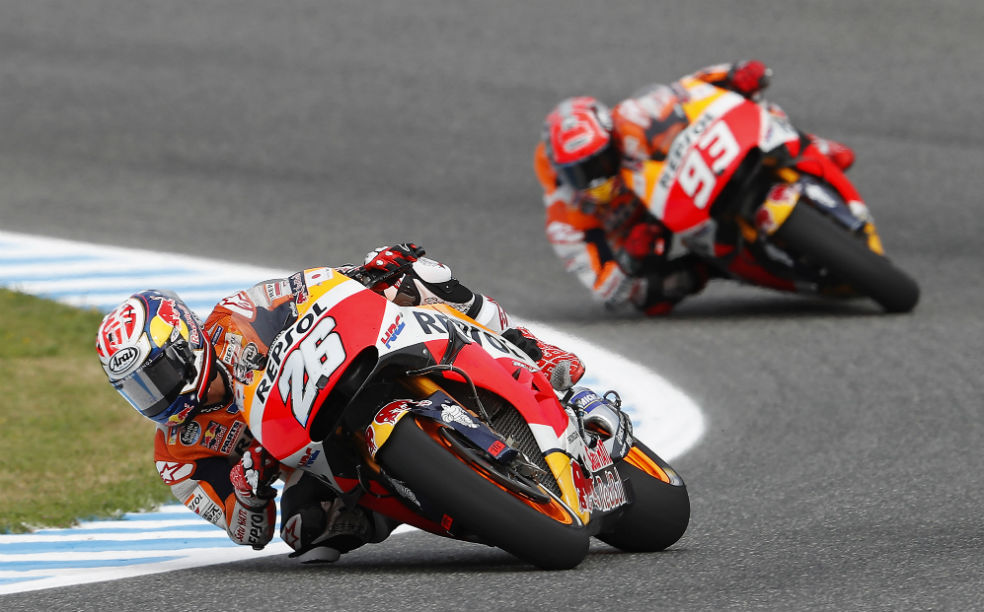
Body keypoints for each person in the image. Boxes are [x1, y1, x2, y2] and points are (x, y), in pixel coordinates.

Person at [95, 244, 619, 563]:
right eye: (139, 389)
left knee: (421, 275)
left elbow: (311, 287)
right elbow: (244, 533)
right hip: (317, 461)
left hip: (350, 366)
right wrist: (247, 492)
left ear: (184, 340)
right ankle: (440, 498)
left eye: (157, 374)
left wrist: (367, 270)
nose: (157, 396)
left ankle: (532, 350)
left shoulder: (236, 315)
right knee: (303, 532)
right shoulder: (176, 454)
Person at [534, 60, 857, 315]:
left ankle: (808, 146)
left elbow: (689, 90)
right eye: (578, 173)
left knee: (758, 110)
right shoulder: (565, 220)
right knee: (650, 300)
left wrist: (734, 75)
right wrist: (629, 261)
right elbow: (605, 290)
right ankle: (719, 268)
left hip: (682, 179)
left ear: (611, 138)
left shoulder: (630, 118)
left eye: (598, 162)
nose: (593, 177)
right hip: (646, 233)